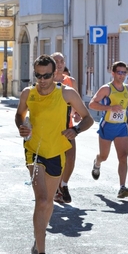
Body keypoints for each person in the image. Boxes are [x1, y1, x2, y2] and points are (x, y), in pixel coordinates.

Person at [15, 54, 94, 254]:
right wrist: (22, 127)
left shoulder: (66, 93)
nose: (42, 80)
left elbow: (88, 118)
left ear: (54, 73)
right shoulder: (27, 93)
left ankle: (38, 237)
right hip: (34, 151)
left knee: (48, 202)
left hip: (57, 152)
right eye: (38, 76)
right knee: (41, 200)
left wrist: (75, 130)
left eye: (46, 75)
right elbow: (19, 115)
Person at [89, 61, 128, 199]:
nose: (122, 75)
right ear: (113, 73)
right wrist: (110, 108)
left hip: (121, 126)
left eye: (124, 73)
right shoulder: (106, 89)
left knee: (123, 156)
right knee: (104, 156)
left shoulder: (127, 88)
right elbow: (92, 104)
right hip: (107, 126)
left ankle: (122, 187)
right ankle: (97, 163)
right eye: (119, 72)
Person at [51, 52, 80, 204]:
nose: (60, 64)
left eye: (62, 61)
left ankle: (64, 185)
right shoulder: (45, 82)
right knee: (55, 160)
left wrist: (77, 114)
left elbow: (77, 102)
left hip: (68, 126)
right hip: (51, 128)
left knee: (71, 157)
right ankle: (55, 188)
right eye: (56, 61)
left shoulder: (71, 81)